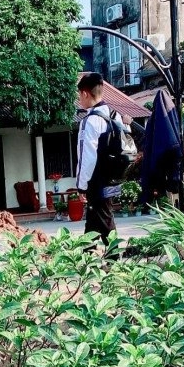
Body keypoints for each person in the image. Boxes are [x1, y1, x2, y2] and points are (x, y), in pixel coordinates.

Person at [75, 72, 124, 243]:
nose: (79, 99)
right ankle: (87, 255)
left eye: (79, 95)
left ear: (85, 93)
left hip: (97, 181)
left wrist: (81, 187)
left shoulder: (90, 121)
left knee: (104, 218)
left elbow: (86, 157)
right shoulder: (114, 115)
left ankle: (114, 260)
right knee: (94, 219)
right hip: (113, 178)